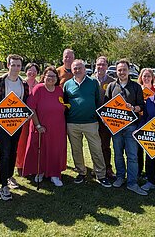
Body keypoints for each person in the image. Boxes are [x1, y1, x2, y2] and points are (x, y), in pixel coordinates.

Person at [63, 59, 111, 187]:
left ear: (85, 69)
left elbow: (96, 100)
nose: (77, 70)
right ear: (72, 70)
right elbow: (66, 103)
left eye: (80, 68)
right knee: (76, 150)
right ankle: (81, 173)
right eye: (75, 68)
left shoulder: (93, 82)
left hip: (91, 122)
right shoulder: (67, 84)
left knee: (96, 149)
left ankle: (101, 175)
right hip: (72, 123)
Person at [104, 59, 147, 196]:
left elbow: (142, 106)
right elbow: (106, 106)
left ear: (129, 71)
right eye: (119, 70)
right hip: (116, 128)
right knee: (118, 154)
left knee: (132, 156)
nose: (122, 72)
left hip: (131, 127)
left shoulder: (136, 87)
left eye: (124, 70)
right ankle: (120, 177)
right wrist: (106, 120)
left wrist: (133, 108)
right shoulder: (111, 86)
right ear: (116, 72)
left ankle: (132, 182)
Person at [0, 55, 29, 201]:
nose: (16, 68)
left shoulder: (23, 84)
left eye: (18, 65)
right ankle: (3, 185)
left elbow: (25, 103)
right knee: (5, 152)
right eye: (13, 65)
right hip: (2, 124)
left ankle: (9, 176)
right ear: (8, 65)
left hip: (17, 124)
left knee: (13, 151)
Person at [23, 66, 67, 186]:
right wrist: (37, 125)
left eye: (53, 76)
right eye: (48, 75)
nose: (51, 78)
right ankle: (40, 171)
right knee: (40, 149)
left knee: (55, 150)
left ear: (56, 78)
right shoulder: (38, 89)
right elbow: (31, 108)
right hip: (41, 126)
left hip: (57, 127)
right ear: (44, 76)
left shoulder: (59, 90)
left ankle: (54, 174)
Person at [15, 63, 40, 175]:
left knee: (33, 142)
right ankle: (20, 165)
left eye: (34, 71)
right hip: (22, 118)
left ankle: (32, 165)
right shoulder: (21, 83)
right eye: (30, 70)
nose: (32, 72)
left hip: (34, 118)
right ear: (25, 71)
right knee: (21, 142)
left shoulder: (39, 85)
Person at [93, 56, 116, 179]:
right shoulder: (90, 80)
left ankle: (108, 168)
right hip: (92, 118)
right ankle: (96, 167)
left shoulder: (112, 81)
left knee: (105, 145)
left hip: (107, 119)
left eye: (103, 64)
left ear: (107, 66)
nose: (101, 67)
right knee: (94, 145)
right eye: (98, 64)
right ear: (95, 66)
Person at [137, 68, 155, 179]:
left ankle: (149, 173)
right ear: (141, 77)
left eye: (149, 76)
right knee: (138, 149)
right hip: (139, 121)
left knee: (150, 150)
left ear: (152, 78)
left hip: (151, 122)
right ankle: (138, 171)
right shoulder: (137, 89)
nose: (146, 78)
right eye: (144, 76)